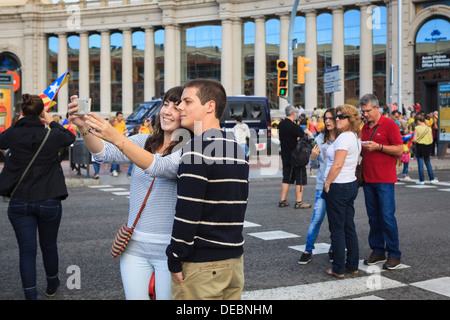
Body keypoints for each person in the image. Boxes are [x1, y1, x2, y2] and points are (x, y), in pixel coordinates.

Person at [68, 86, 188, 300]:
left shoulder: (190, 149)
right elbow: (104, 153)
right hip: (134, 247)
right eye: (165, 104)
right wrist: (83, 128)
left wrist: (118, 138)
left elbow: (159, 167)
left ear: (187, 114)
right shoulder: (144, 141)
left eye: (176, 107)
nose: (167, 111)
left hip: (171, 250)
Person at [165, 79, 249, 300]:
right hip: (233, 262)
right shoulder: (236, 148)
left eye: (187, 101)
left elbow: (188, 211)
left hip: (201, 265)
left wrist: (174, 256)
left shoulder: (196, 149)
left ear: (209, 106)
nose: (179, 107)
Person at [0, 94, 76, 299]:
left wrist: (18, 122)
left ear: (22, 112)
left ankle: (30, 295)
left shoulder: (14, 134)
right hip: (49, 197)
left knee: (27, 250)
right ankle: (52, 284)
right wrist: (50, 121)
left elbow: (1, 139)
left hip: (19, 199)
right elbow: (71, 138)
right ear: (42, 112)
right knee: (49, 245)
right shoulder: (51, 134)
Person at [359, 94, 403, 270]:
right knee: (373, 218)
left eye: (368, 111)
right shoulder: (364, 127)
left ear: (377, 108)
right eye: (363, 112)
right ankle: (377, 250)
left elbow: (399, 149)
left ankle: (394, 254)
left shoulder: (390, 124)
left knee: (387, 217)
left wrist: (379, 147)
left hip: (384, 179)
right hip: (368, 179)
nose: (365, 115)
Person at [321, 104, 361, 278]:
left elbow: (337, 164)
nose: (337, 119)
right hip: (350, 184)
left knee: (337, 229)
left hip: (338, 185)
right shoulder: (354, 137)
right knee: (348, 226)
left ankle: (338, 268)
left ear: (350, 120)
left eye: (341, 117)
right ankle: (352, 265)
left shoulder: (344, 138)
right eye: (336, 116)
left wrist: (327, 182)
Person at [298, 108, 339, 265]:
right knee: (317, 219)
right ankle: (308, 250)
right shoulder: (320, 138)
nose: (327, 121)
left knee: (335, 221)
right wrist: (312, 158)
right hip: (322, 186)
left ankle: (333, 248)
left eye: (331, 118)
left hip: (337, 185)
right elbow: (314, 165)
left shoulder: (343, 139)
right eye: (325, 118)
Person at [277, 105, 311, 209]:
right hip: (297, 155)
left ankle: (282, 200)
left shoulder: (281, 125)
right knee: (300, 177)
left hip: (285, 154)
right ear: (293, 114)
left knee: (286, 177)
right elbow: (303, 136)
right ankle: (299, 201)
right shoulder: (295, 126)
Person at [413, 113, 438, 185]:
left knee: (420, 163)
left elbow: (414, 139)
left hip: (419, 146)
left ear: (418, 120)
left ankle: (421, 180)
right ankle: (432, 178)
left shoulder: (417, 128)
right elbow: (431, 140)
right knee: (428, 163)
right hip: (427, 146)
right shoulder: (428, 128)